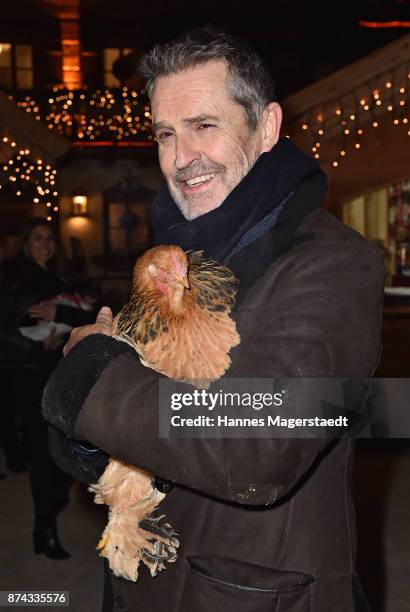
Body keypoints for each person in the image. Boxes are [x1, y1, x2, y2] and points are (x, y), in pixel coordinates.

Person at [43, 29, 384, 611]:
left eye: (204, 126)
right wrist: (95, 442)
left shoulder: (330, 262)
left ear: (268, 126)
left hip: (246, 594)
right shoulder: (181, 252)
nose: (180, 159)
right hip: (147, 581)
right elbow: (125, 425)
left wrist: (94, 374)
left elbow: (261, 440)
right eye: (165, 134)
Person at [0, 218, 96, 560]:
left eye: (49, 239)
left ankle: (53, 508)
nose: (45, 244)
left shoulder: (65, 277)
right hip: (32, 376)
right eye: (37, 238)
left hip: (68, 373)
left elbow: (91, 314)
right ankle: (45, 527)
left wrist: (61, 311)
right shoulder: (12, 280)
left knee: (71, 449)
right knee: (45, 452)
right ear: (27, 244)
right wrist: (33, 347)